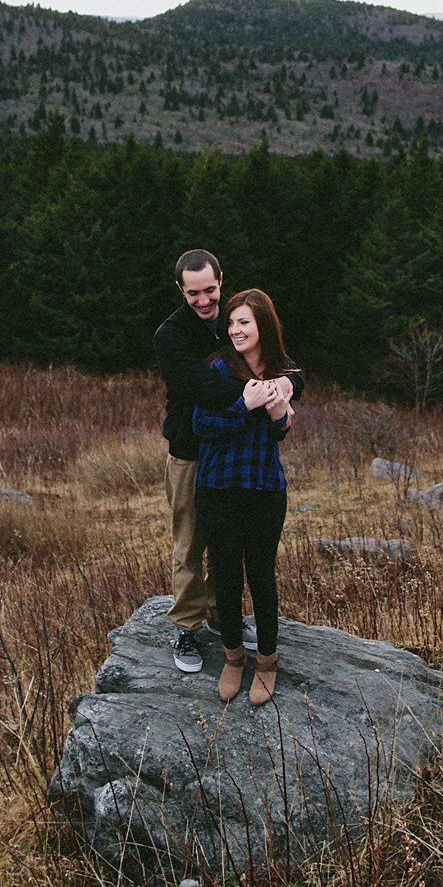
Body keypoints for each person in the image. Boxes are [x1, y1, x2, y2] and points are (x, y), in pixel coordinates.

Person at [153, 250, 297, 674]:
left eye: (210, 290)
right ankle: (186, 626)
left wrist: (288, 384)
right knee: (189, 542)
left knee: (226, 545)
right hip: (190, 451)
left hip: (233, 455)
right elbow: (200, 388)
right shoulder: (171, 336)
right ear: (181, 290)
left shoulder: (234, 318)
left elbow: (281, 357)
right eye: (193, 293)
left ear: (221, 282)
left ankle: (222, 618)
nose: (203, 301)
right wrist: (253, 394)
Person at [192, 288, 297, 706]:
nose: (234, 329)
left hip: (264, 487)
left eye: (244, 323)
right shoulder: (216, 369)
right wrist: (245, 404)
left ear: (263, 327)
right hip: (218, 486)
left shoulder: (283, 372)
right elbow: (202, 426)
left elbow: (279, 432)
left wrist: (277, 415)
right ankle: (233, 657)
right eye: (231, 322)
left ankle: (267, 661)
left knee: (262, 575)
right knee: (227, 576)